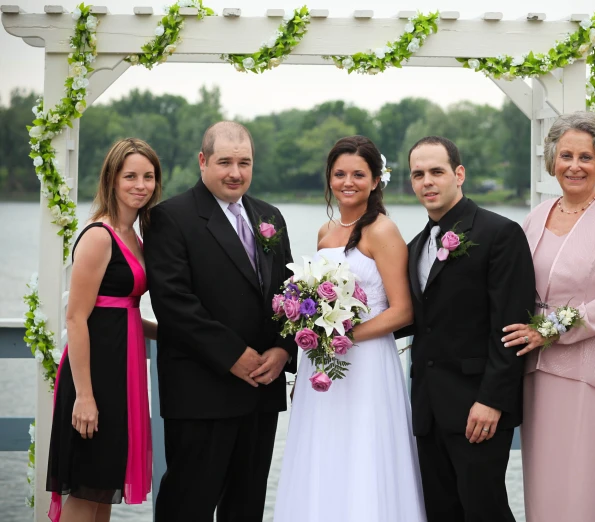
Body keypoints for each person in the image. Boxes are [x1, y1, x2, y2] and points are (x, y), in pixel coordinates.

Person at [145, 121, 296, 521]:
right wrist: (233, 356)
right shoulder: (170, 218)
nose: (235, 172)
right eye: (225, 161)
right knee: (187, 505)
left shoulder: (270, 216)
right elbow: (173, 303)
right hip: (201, 391)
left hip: (261, 390)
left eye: (244, 162)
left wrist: (283, 349)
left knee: (246, 508)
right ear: (202, 161)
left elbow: (290, 296)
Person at [501, 112, 595, 522]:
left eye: (586, 156)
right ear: (552, 160)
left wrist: (551, 330)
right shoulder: (534, 217)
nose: (574, 165)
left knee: (589, 487)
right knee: (545, 487)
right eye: (566, 155)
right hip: (539, 374)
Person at [274, 135, 426, 522]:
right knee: (322, 448)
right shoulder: (325, 233)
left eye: (359, 174)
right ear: (329, 178)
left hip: (366, 361)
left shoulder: (383, 231)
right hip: (321, 362)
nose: (348, 182)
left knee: (364, 449)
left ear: (376, 180)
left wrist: (343, 336)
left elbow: (404, 310)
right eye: (339, 173)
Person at [402, 136, 535, 522]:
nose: (427, 181)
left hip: (477, 406)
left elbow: (511, 327)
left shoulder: (500, 234)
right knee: (441, 512)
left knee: (485, 510)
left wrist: (492, 400)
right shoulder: (415, 245)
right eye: (418, 174)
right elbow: (418, 319)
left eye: (436, 172)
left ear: (458, 174)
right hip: (427, 408)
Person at [46, 138, 161, 522]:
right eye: (130, 176)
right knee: (84, 490)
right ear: (112, 179)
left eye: (148, 176)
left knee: (102, 493)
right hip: (92, 379)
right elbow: (76, 318)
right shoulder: (99, 235)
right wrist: (85, 397)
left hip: (122, 377)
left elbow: (122, 311)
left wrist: (168, 333)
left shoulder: (136, 237)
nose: (140, 185)